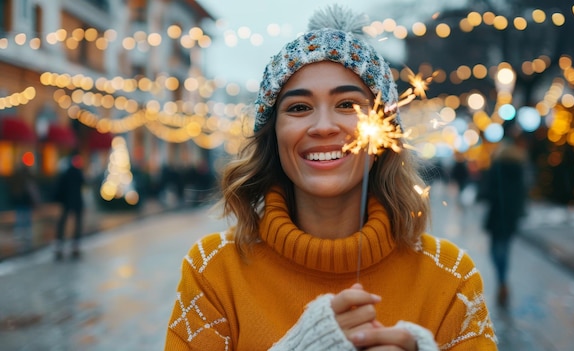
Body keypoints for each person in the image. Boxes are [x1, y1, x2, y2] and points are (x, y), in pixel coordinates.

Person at [165, 5, 497, 350]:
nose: (323, 126)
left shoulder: (450, 275)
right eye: (298, 108)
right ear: (272, 134)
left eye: (348, 105)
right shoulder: (215, 269)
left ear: (385, 129)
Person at [482, 135, 527, 308]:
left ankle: (501, 280)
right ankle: (503, 280)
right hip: (511, 215)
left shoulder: (497, 168)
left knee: (494, 250)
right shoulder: (519, 169)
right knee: (504, 248)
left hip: (496, 214)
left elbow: (487, 191)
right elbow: (522, 192)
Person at [54, 152, 85, 260]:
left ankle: (60, 245)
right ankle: (74, 245)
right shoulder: (78, 173)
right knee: (76, 223)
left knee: (63, 222)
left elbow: (59, 187)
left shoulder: (66, 173)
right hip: (75, 201)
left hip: (67, 201)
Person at [9, 165, 40, 252]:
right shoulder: (26, 178)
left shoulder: (19, 178)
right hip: (24, 200)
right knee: (25, 215)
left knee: (21, 215)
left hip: (20, 200)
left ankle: (20, 232)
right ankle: (25, 232)